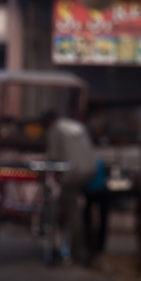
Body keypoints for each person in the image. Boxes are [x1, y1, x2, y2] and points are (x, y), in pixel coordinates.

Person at [44, 106, 98, 264]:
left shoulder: (55, 130)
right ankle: (82, 250)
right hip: (90, 171)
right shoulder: (75, 126)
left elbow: (53, 157)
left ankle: (76, 252)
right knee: (80, 211)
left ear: (48, 122)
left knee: (70, 212)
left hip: (72, 174)